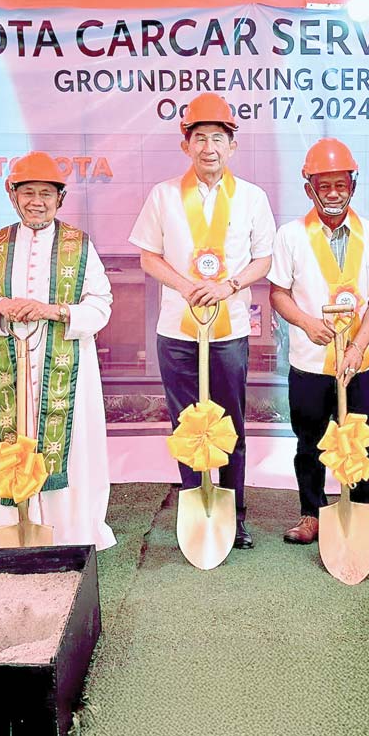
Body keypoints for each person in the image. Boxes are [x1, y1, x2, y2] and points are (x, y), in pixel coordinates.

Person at [129, 93, 276, 549]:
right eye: (199, 138)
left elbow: (263, 260)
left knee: (230, 421)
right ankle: (196, 502)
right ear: (185, 145)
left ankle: (236, 511)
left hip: (229, 329)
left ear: (232, 145)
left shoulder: (252, 197)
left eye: (218, 138)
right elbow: (148, 256)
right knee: (185, 422)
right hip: (176, 329)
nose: (208, 147)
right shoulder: (163, 195)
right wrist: (184, 284)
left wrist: (228, 286)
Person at [0, 152, 115, 550]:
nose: (37, 201)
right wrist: (1, 308)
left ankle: (69, 531)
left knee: (68, 445)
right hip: (4, 368)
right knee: (2, 436)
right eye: (28, 192)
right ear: (12, 196)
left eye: (46, 193)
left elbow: (101, 305)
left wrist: (54, 311)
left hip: (64, 368)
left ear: (60, 198)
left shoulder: (80, 245)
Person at [267, 138, 369, 544]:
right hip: (310, 364)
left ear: (353, 186)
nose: (334, 194)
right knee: (309, 443)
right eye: (325, 186)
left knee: (362, 442)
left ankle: (359, 512)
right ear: (310, 189)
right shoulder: (290, 236)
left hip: (360, 364)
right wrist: (306, 322)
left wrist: (357, 347)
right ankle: (311, 513)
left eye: (341, 185)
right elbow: (277, 293)